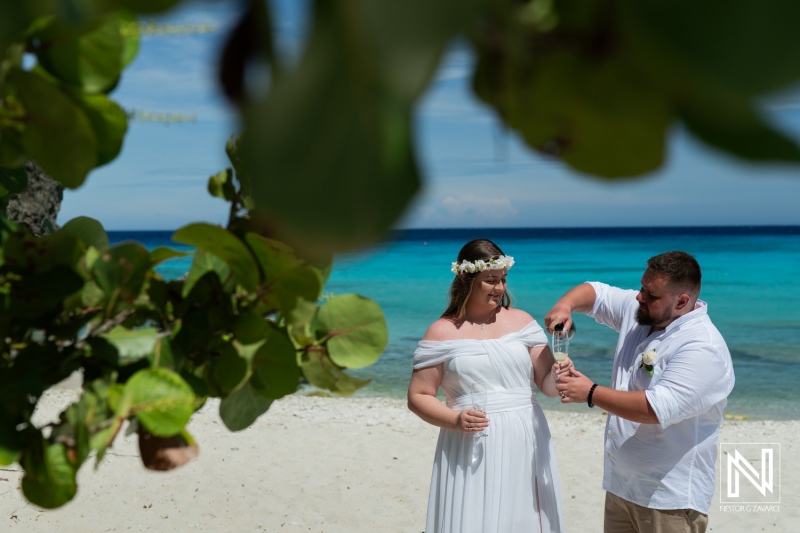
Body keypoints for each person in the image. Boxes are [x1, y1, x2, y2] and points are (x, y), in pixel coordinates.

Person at [545, 251, 735, 533]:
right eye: (642, 287)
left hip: (669, 499)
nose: (639, 297)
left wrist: (590, 392)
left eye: (651, 294)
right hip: (621, 487)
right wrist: (565, 306)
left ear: (682, 301)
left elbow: (655, 409)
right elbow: (595, 293)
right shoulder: (643, 312)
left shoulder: (701, 347)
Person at [408, 238, 568, 533]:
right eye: (491, 280)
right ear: (466, 279)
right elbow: (418, 396)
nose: (500, 288)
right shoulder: (442, 331)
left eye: (503, 280)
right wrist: (454, 419)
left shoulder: (522, 322)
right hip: (470, 438)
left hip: (525, 435)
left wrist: (561, 376)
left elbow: (546, 384)